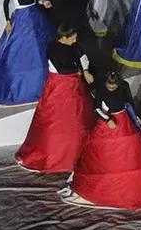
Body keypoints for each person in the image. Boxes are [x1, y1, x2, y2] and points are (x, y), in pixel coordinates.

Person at [62, 69, 141, 210]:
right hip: (108, 122)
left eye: (114, 86)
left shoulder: (124, 85)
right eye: (109, 86)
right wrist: (107, 120)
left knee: (131, 150)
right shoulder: (101, 88)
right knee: (102, 154)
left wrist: (135, 114)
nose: (111, 88)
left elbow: (129, 101)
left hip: (124, 119)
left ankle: (134, 185)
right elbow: (96, 107)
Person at [14, 24, 96, 173]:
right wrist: (79, 72)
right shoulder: (53, 48)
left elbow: (80, 56)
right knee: (56, 120)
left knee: (79, 117)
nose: (75, 40)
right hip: (60, 85)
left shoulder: (72, 45)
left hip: (74, 84)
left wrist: (84, 71)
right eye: (72, 38)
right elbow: (61, 68)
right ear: (63, 38)